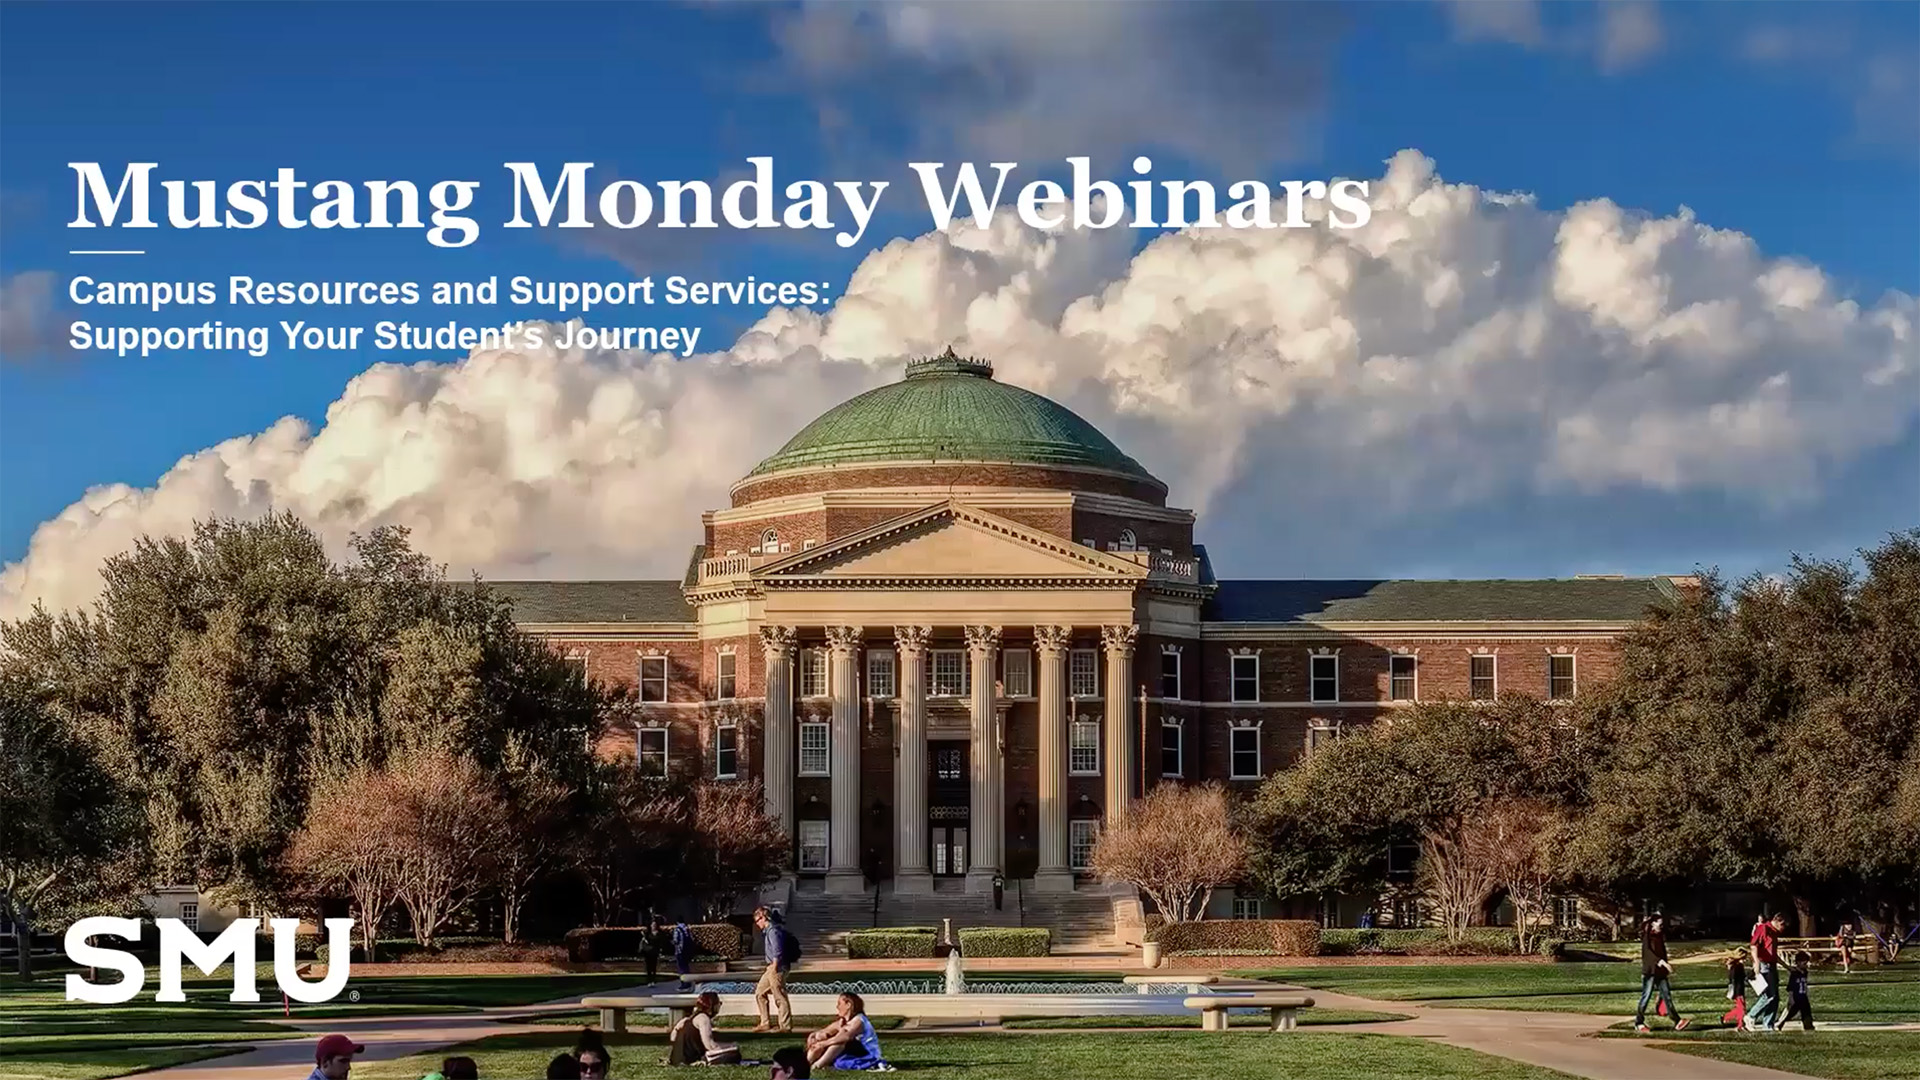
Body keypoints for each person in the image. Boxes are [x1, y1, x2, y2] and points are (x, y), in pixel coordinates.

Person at [1633, 912, 1690, 1033]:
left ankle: (1677, 1021)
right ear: (1653, 924)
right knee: (1646, 997)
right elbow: (1648, 954)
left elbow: (1662, 954)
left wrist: (1665, 967)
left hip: (1660, 973)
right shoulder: (1647, 937)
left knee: (1667, 996)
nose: (1661, 926)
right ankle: (1639, 1023)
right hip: (1650, 972)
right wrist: (1662, 962)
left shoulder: (1659, 937)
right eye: (1660, 923)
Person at [807, 992, 892, 1072]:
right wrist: (814, 1036)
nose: (837, 1007)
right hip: (853, 1052)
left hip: (867, 1054)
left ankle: (817, 1066)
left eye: (839, 1003)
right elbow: (824, 1032)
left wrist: (823, 1044)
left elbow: (846, 1037)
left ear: (848, 1005)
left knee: (839, 1042)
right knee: (820, 1038)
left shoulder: (859, 1021)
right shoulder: (843, 1021)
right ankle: (806, 1064)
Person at [668, 990, 743, 1065]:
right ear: (712, 1005)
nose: (719, 1006)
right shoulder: (703, 1019)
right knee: (735, 1054)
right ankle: (705, 1061)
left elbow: (673, 1037)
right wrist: (729, 1047)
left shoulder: (686, 1020)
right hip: (690, 1060)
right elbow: (710, 1045)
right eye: (718, 1003)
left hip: (676, 1059)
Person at [753, 905, 794, 1033]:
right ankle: (765, 1023)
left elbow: (778, 950)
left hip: (777, 967)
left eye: (758, 920)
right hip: (771, 967)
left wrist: (775, 967)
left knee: (779, 996)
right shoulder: (768, 931)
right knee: (760, 993)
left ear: (763, 918)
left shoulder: (773, 931)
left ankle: (785, 1026)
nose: (757, 924)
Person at [1748, 911, 1788, 1032]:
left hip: (1772, 965)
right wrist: (1756, 963)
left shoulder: (1774, 933)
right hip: (1764, 964)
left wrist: (1787, 967)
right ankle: (1751, 1016)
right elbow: (1754, 945)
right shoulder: (1763, 928)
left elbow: (1773, 954)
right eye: (1783, 925)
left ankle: (1768, 1024)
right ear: (1778, 922)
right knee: (1769, 995)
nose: (1783, 929)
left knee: (1775, 997)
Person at [1780, 951, 1815, 1031]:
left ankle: (1808, 1025)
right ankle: (1780, 1022)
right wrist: (1791, 998)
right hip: (1796, 997)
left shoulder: (1805, 972)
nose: (1806, 964)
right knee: (1791, 1012)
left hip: (1803, 996)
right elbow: (1791, 987)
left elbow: (1804, 985)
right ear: (1798, 962)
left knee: (1806, 1012)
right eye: (1804, 962)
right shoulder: (1794, 973)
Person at [1721, 951, 1748, 1029]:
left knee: (1740, 1008)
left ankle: (1726, 1017)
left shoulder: (1737, 966)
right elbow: (1734, 979)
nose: (1745, 960)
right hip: (1738, 991)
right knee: (1741, 1009)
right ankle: (1739, 1024)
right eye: (1744, 958)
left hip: (1740, 990)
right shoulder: (1737, 967)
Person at [672, 917, 696, 991]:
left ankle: (684, 984)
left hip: (680, 951)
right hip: (687, 952)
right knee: (686, 968)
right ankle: (688, 983)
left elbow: (676, 940)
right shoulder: (687, 929)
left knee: (681, 969)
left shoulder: (677, 929)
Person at [643, 911, 664, 984]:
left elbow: (660, 942)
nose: (653, 926)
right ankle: (649, 980)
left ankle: (653, 980)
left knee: (653, 966)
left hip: (654, 952)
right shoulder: (647, 933)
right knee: (648, 966)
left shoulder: (659, 933)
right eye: (652, 925)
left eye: (655, 925)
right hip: (648, 952)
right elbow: (645, 941)